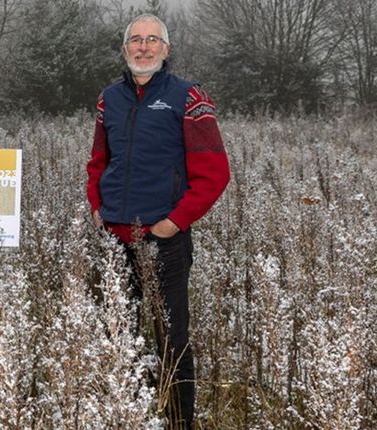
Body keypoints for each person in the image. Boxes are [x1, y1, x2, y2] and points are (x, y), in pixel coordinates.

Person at [85, 14, 230, 429]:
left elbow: (214, 173)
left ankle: (179, 420)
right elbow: (98, 160)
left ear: (166, 49)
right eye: (135, 40)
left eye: (152, 40)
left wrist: (174, 222)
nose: (143, 47)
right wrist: (97, 205)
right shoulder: (109, 98)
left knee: (172, 339)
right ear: (125, 48)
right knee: (116, 331)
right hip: (114, 236)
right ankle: (122, 413)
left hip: (163, 239)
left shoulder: (188, 97)